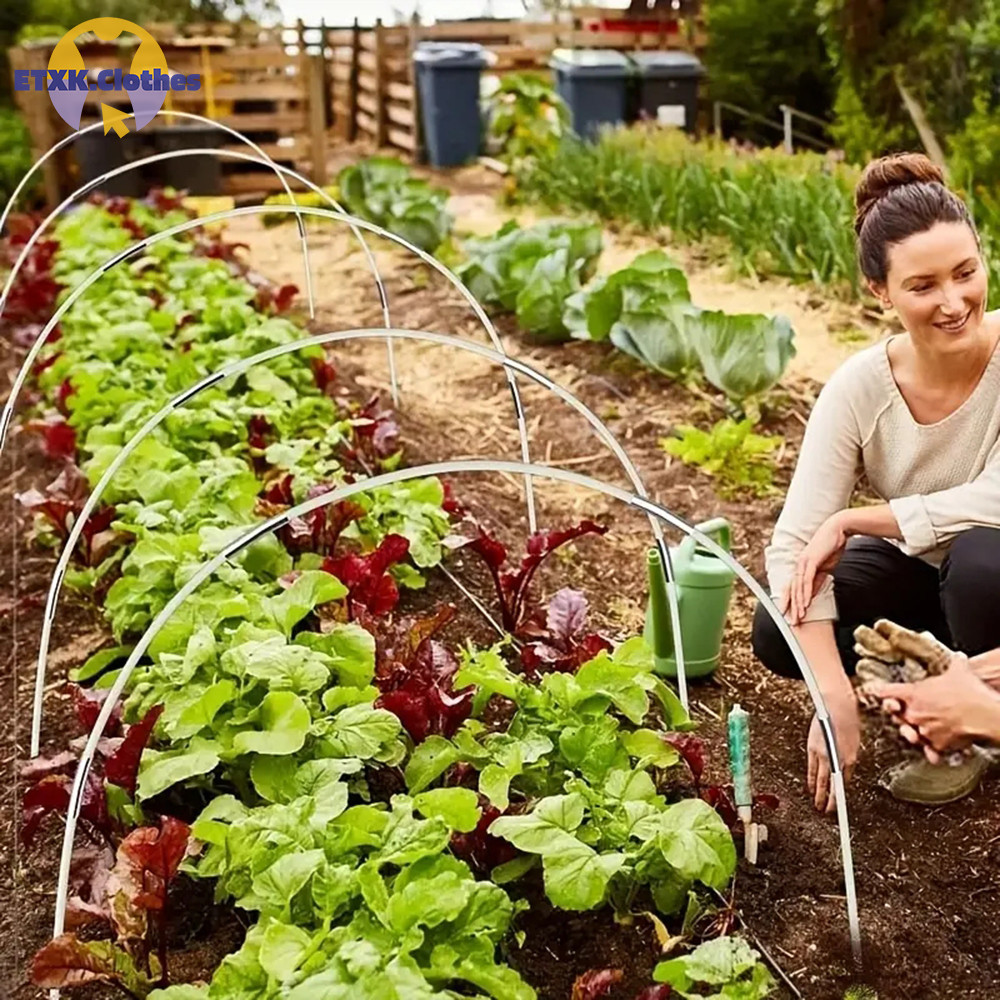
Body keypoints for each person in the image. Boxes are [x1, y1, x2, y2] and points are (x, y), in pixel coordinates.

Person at [750, 151, 1000, 812]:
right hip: (932, 584)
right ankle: (930, 672)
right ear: (880, 292)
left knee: (981, 559)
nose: (954, 303)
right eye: (923, 286)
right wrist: (831, 695)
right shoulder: (860, 389)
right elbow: (794, 546)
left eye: (967, 273)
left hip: (990, 578)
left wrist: (859, 519)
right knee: (784, 624)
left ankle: (974, 729)